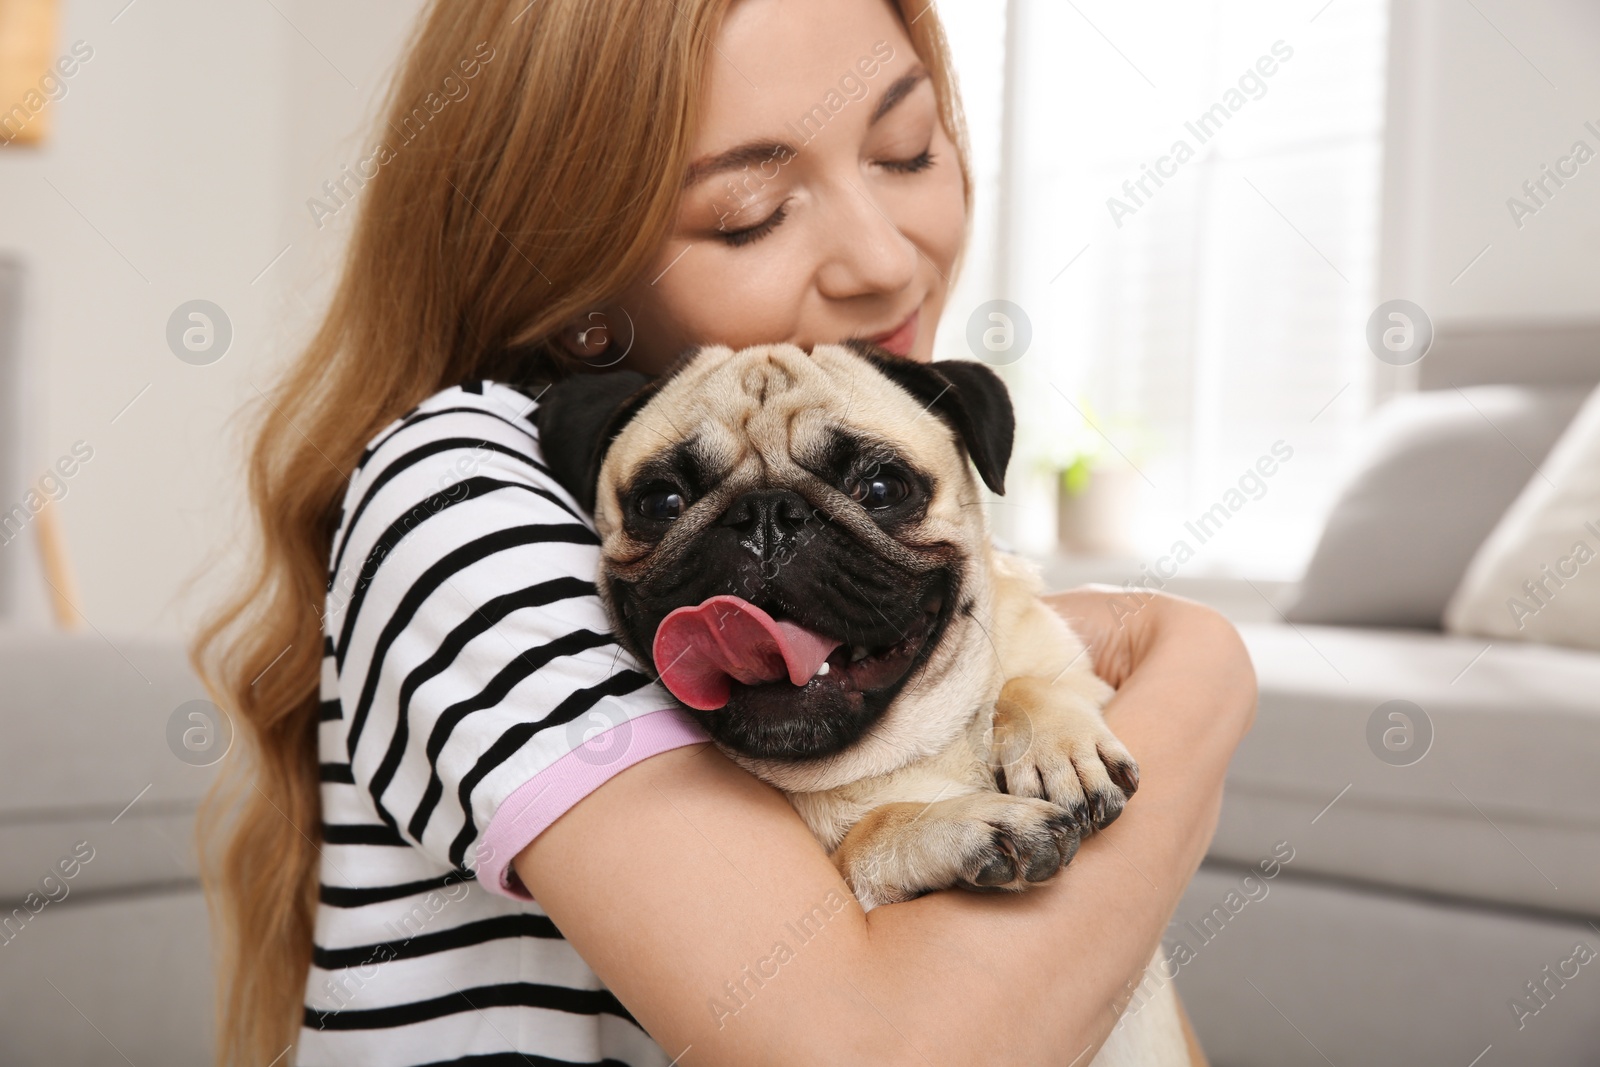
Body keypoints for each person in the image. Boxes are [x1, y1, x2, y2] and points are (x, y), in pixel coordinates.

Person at [193, 0, 1257, 1064]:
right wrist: (1199, 682)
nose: (884, 261)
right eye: (750, 212)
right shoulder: (464, 484)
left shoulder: (891, 490)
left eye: (906, 149)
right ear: (581, 291)